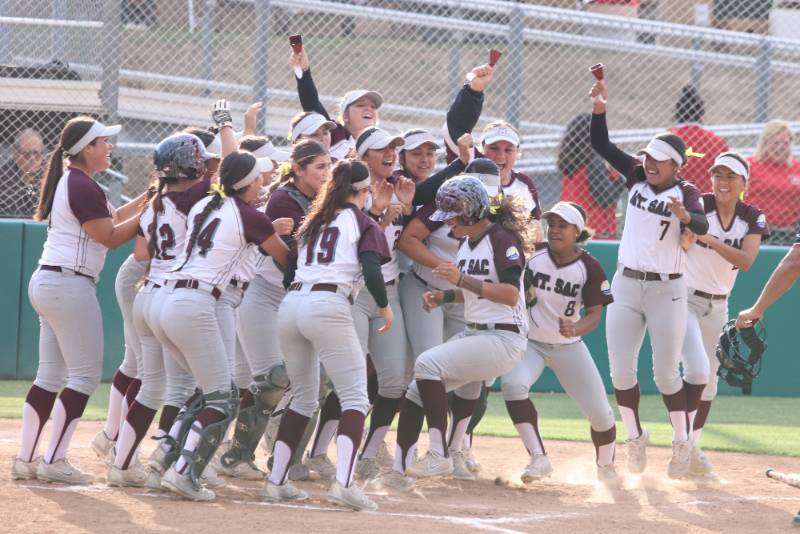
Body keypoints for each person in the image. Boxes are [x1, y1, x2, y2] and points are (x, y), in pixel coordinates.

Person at [12, 116, 143, 484]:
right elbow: (111, 236)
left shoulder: (77, 181)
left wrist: (149, 198)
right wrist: (153, 212)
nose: (109, 147)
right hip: (68, 285)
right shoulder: (81, 184)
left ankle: (27, 458)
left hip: (51, 282)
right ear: (87, 148)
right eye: (104, 142)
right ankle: (54, 460)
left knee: (51, 375)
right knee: (84, 376)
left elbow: (111, 218)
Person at [590, 78, 709, 479]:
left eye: (660, 159)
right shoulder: (637, 176)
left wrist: (685, 218)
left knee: (664, 373)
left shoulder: (687, 192)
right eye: (649, 156)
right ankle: (635, 436)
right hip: (625, 283)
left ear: (678, 165)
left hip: (667, 289)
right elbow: (601, 146)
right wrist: (601, 107)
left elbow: (703, 222)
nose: (651, 162)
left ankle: (680, 444)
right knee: (621, 370)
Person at [158, 150, 289, 501]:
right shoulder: (250, 216)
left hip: (171, 299)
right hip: (197, 303)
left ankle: (168, 455)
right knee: (222, 397)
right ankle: (183, 472)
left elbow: (235, 241)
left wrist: (266, 229)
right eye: (259, 178)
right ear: (248, 183)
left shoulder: (206, 205)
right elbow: (285, 259)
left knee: (210, 391)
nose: (263, 182)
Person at [387, 175, 532, 488]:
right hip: (479, 333)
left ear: (469, 210)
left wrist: (460, 281)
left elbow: (509, 294)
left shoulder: (502, 239)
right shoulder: (467, 243)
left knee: (427, 364)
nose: (447, 224)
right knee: (415, 390)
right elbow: (477, 290)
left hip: (504, 338)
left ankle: (439, 454)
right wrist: (444, 296)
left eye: (451, 216)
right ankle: (398, 472)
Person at [263, 159, 391, 512]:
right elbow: (371, 268)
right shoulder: (362, 221)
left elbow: (289, 267)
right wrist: (385, 307)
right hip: (328, 302)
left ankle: (276, 482)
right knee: (354, 397)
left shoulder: (313, 222)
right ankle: (345, 485)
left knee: (303, 398)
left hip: (292, 303)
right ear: (363, 191)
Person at [106, 133, 217, 488]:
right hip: (173, 296)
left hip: (147, 294)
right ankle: (167, 462)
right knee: (194, 385)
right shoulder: (192, 198)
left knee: (153, 386)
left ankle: (122, 463)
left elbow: (141, 254)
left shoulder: (155, 199)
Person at [216, 139, 330, 480]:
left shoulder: (321, 200)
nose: (327, 174)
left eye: (329, 166)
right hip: (263, 296)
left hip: (292, 299)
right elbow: (290, 261)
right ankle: (236, 454)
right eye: (319, 167)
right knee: (272, 380)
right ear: (297, 169)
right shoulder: (283, 198)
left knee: (314, 381)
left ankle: (286, 459)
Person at [501, 202, 618, 484]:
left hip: (568, 346)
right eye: (551, 224)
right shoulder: (533, 254)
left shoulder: (589, 266)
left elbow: (594, 315)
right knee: (512, 385)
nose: (554, 230)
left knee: (601, 415)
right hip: (530, 343)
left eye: (562, 226)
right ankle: (539, 458)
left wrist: (575, 327)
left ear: (577, 231)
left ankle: (606, 469)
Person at [679, 152, 768, 477]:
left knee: (710, 384)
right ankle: (682, 444)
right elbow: (682, 238)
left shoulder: (751, 216)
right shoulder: (699, 205)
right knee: (697, 370)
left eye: (731, 176)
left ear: (745, 182)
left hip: (719, 304)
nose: (723, 182)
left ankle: (691, 448)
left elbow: (746, 260)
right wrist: (688, 237)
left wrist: (709, 240)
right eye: (718, 175)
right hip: (684, 298)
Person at [290, 45, 381, 160]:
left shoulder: (382, 142)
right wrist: (304, 73)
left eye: (373, 106)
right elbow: (311, 102)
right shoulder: (335, 133)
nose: (369, 109)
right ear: (345, 116)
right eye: (360, 105)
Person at [558, 113, 625, 239]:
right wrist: (619, 179)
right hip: (594, 232)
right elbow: (605, 199)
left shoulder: (570, 161)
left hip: (570, 226)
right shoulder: (594, 161)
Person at [745, 120, 800, 242]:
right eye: (775, 143)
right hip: (758, 231)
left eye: (785, 143)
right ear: (765, 143)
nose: (780, 148)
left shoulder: (797, 168)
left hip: (791, 232)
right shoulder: (750, 165)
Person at [668, 84, 729, 193]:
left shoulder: (666, 138)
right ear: (700, 114)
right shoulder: (717, 142)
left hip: (671, 200)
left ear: (678, 113)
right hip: (707, 202)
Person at [0, 128, 46, 217]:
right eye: (26, 154)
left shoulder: (50, 175)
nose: (32, 158)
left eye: (36, 153)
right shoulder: (3, 177)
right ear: (15, 154)